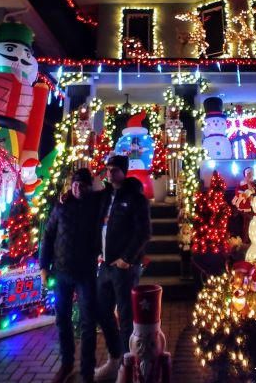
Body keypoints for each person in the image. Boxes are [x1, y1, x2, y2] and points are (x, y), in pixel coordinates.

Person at [40, 167, 102, 383]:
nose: (77, 187)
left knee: (87, 322)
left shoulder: (95, 205)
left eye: (82, 184)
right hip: (62, 272)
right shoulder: (61, 206)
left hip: (85, 273)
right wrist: (43, 267)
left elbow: (111, 190)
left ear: (88, 186)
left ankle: (87, 370)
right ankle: (66, 363)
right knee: (62, 319)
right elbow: (47, 236)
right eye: (74, 183)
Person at [94, 155, 152, 381]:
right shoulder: (105, 196)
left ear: (123, 172)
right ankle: (115, 356)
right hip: (105, 265)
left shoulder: (136, 198)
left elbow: (144, 232)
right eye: (107, 169)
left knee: (127, 316)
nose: (109, 173)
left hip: (124, 267)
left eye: (114, 170)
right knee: (102, 310)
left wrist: (127, 258)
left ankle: (129, 366)